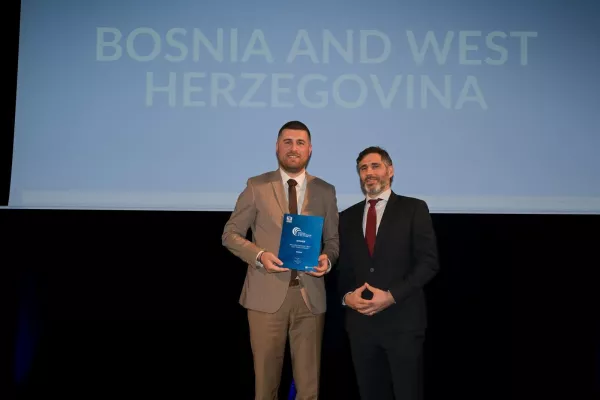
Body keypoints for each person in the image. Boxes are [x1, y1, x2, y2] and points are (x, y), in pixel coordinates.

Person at [222, 120, 339, 400]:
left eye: (300, 143)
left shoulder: (325, 190)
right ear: (277, 147)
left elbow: (333, 241)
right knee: (266, 387)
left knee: (309, 389)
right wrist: (260, 255)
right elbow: (230, 234)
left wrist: (328, 260)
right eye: (287, 141)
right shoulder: (256, 186)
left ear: (310, 150)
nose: (293, 148)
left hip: (309, 298)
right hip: (265, 297)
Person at [337, 146, 440, 400]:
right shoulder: (346, 217)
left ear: (390, 170)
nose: (369, 173)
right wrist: (346, 296)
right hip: (361, 329)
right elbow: (343, 270)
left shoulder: (414, 208)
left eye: (375, 166)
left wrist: (392, 296)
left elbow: (429, 262)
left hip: (403, 325)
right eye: (363, 168)